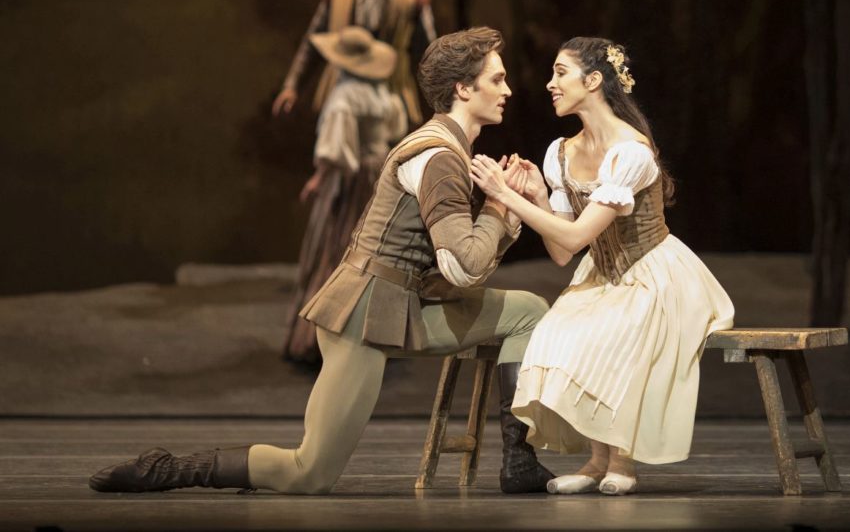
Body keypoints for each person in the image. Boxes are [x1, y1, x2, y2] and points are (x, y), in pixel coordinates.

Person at [89, 28, 554, 495]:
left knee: (528, 312)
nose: (508, 90)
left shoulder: (450, 150)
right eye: (497, 79)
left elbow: (466, 267)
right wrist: (498, 206)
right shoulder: (439, 157)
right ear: (463, 89)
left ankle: (519, 461)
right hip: (365, 317)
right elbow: (463, 267)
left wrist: (505, 207)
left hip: (407, 306)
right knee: (308, 473)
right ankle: (172, 469)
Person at [470, 37, 735, 495]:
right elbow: (562, 252)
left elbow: (575, 236)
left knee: (618, 331)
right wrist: (536, 195)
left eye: (560, 73)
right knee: (557, 329)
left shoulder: (630, 152)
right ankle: (596, 460)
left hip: (655, 274)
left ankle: (623, 462)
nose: (550, 84)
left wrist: (505, 194)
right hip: (603, 273)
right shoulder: (561, 153)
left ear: (593, 81)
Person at [283, 26, 408, 367]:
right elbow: (396, 131)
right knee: (376, 252)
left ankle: (322, 338)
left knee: (336, 250)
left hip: (352, 181)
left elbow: (336, 150)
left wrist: (319, 177)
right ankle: (372, 333)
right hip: (380, 175)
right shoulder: (384, 94)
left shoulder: (345, 97)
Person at [272, 0, 436, 128]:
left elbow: (430, 57)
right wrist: (292, 86)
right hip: (340, 89)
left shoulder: (411, 0)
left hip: (389, 93)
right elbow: (312, 42)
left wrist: (442, 100)